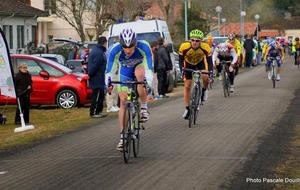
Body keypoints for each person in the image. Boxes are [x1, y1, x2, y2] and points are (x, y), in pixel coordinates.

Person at [106, 28, 153, 150]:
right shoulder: (115, 49)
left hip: (139, 67)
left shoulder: (144, 46)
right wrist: (108, 83)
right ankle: (122, 136)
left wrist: (148, 82)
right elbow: (109, 70)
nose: (127, 50)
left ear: (135, 43)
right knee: (123, 102)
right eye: (124, 47)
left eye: (130, 46)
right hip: (125, 71)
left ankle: (143, 108)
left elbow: (149, 67)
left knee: (140, 76)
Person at [178, 29, 211, 120]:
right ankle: (187, 108)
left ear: (201, 41)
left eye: (197, 40)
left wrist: (210, 72)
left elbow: (209, 61)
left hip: (200, 63)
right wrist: (182, 70)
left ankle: (204, 90)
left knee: (205, 76)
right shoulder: (184, 46)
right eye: (192, 40)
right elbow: (180, 60)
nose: (195, 42)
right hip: (188, 64)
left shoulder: (206, 47)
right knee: (187, 86)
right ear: (189, 40)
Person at [88, 36, 108, 118]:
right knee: (97, 96)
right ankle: (94, 112)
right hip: (97, 78)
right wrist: (90, 74)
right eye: (106, 43)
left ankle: (98, 111)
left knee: (100, 95)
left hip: (99, 77)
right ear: (104, 43)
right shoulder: (98, 52)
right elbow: (95, 66)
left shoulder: (98, 50)